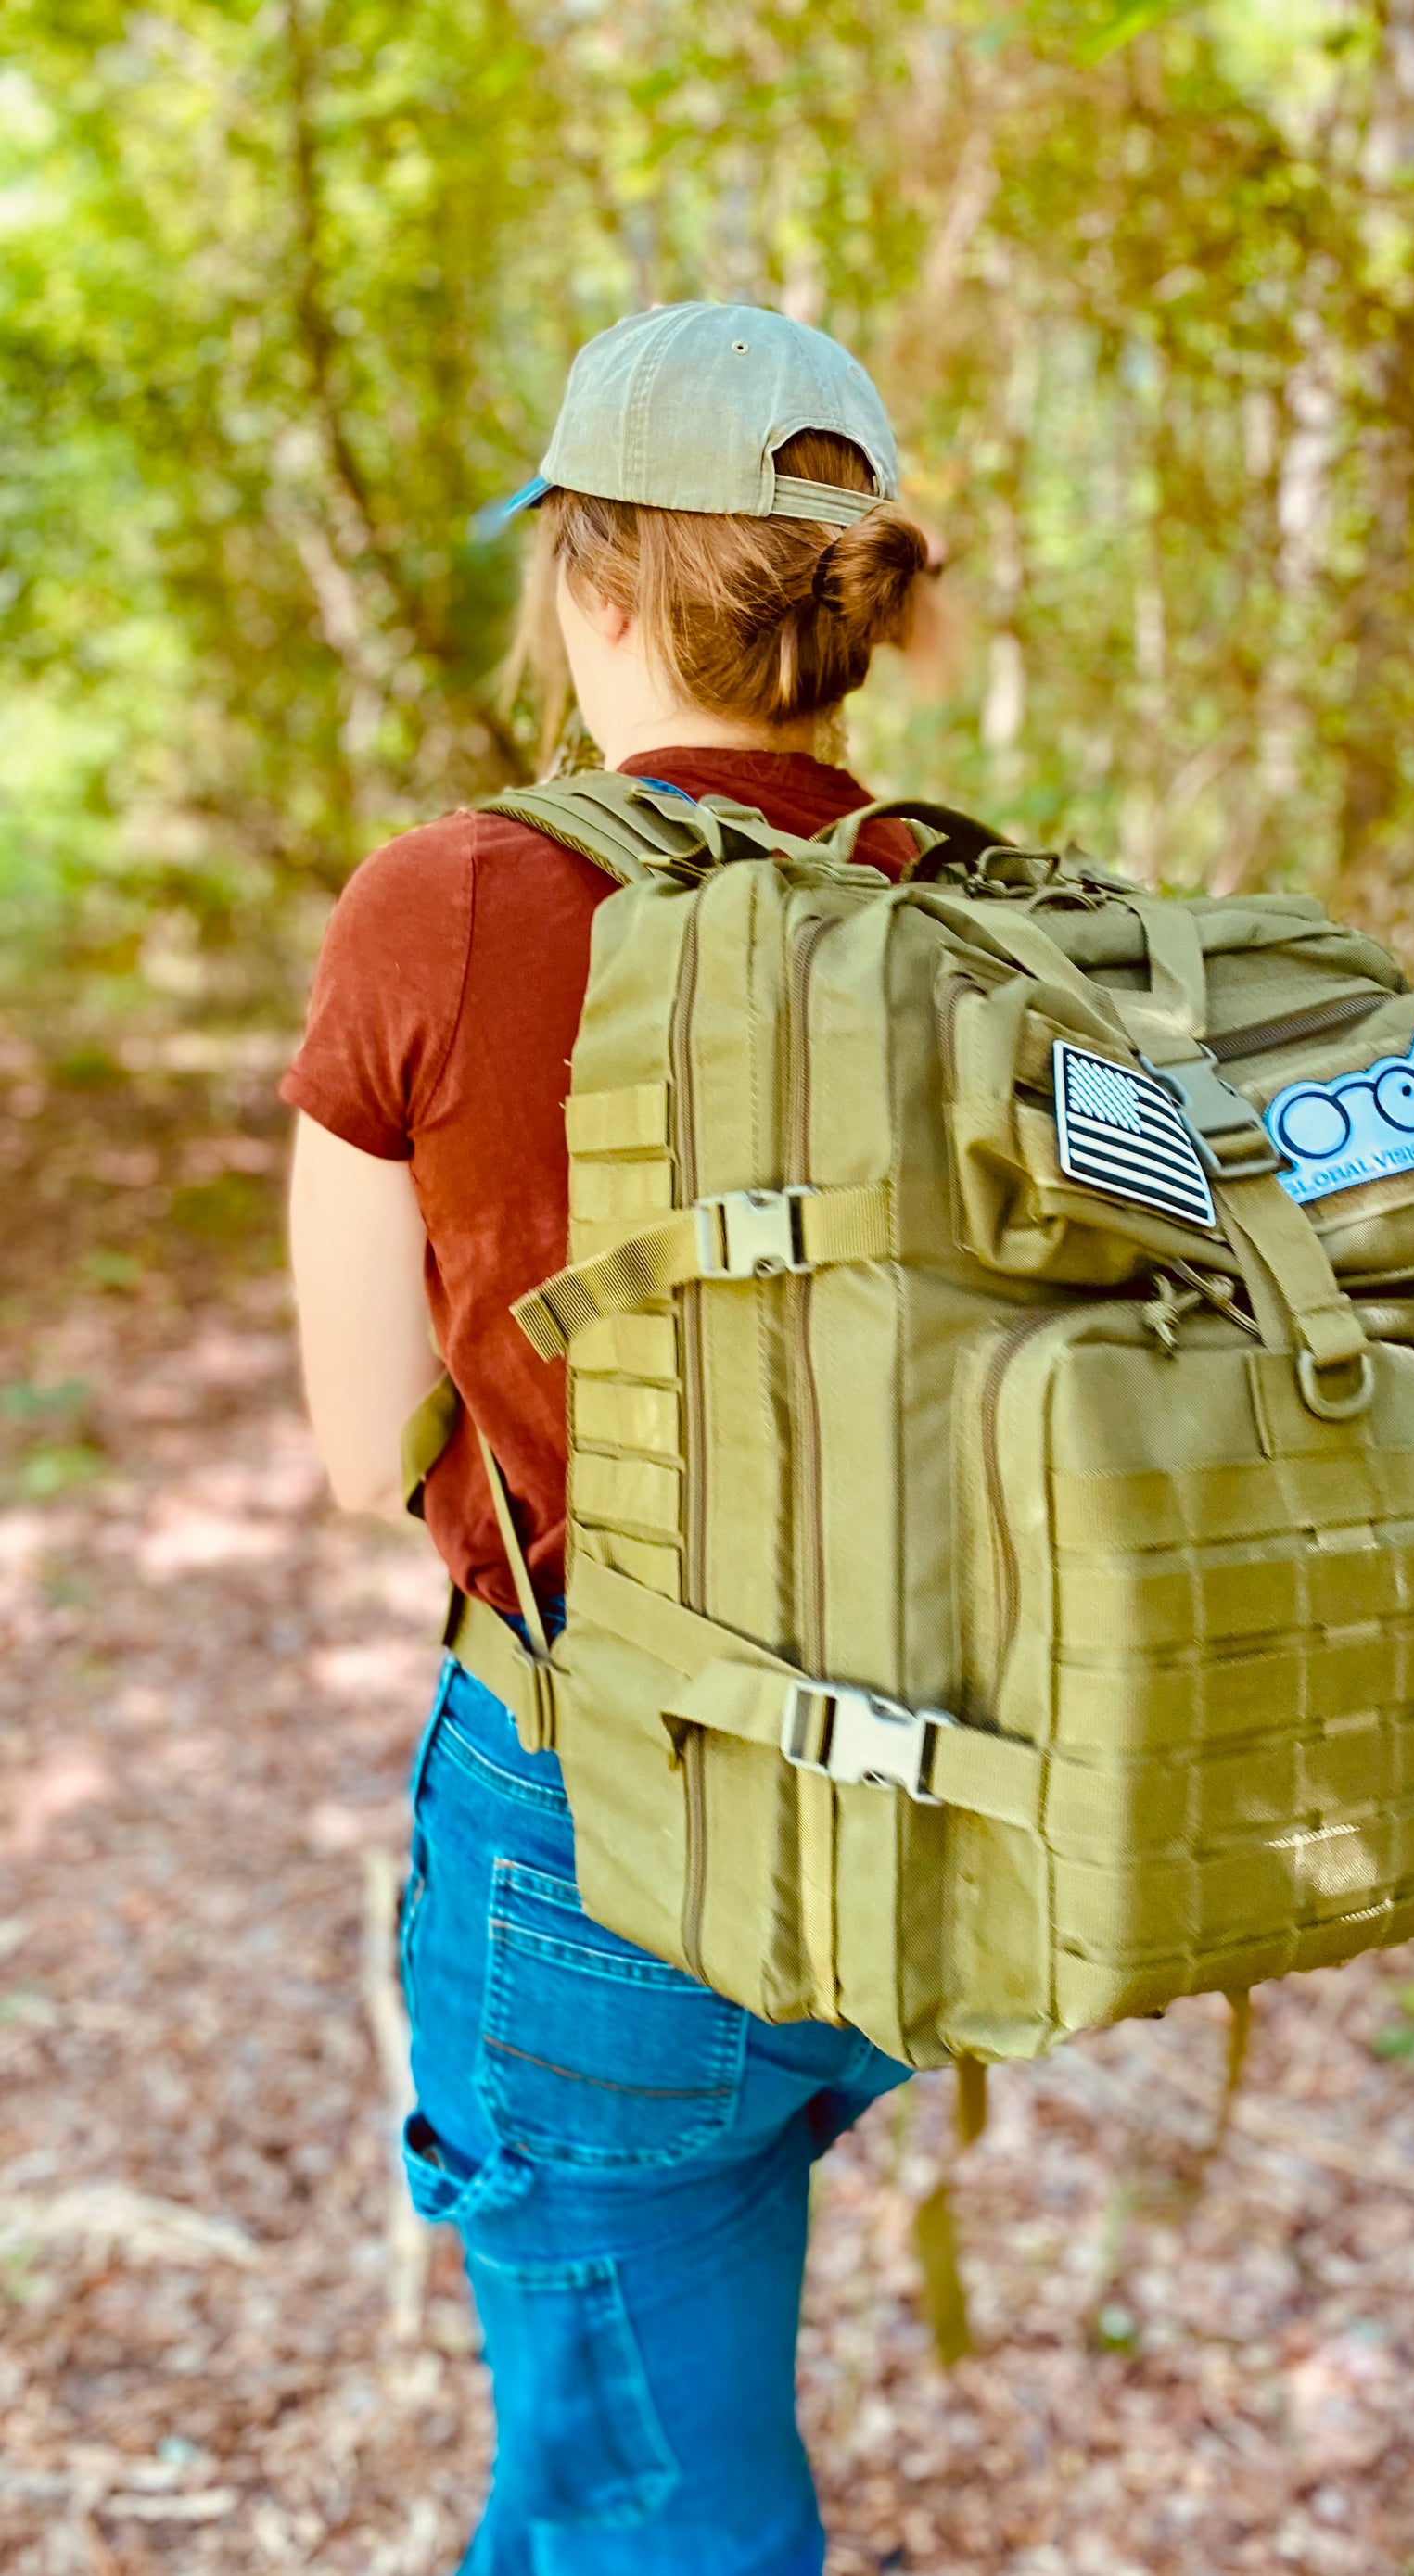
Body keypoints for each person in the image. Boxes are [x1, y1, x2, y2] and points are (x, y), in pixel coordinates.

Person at [283, 302, 939, 2576]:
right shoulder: (966, 897)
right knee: (698, 2300)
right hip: (926, 1805)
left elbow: (360, 1436)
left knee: (645, 2504)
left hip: (610, 1841)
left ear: (591, 574)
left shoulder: (450, 898)